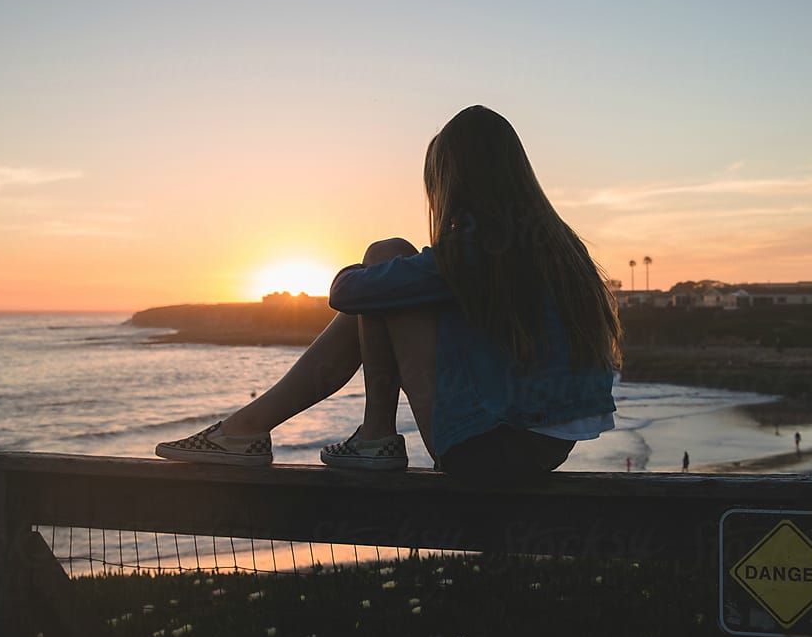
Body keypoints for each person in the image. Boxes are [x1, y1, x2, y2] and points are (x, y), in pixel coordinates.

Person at [155, 105, 621, 481]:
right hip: (546, 448)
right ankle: (289, 432)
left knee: (384, 257)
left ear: (456, 180)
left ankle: (267, 431)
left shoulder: (482, 247)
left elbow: (347, 292)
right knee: (389, 278)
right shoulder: (557, 244)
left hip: (485, 451)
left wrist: (368, 269)